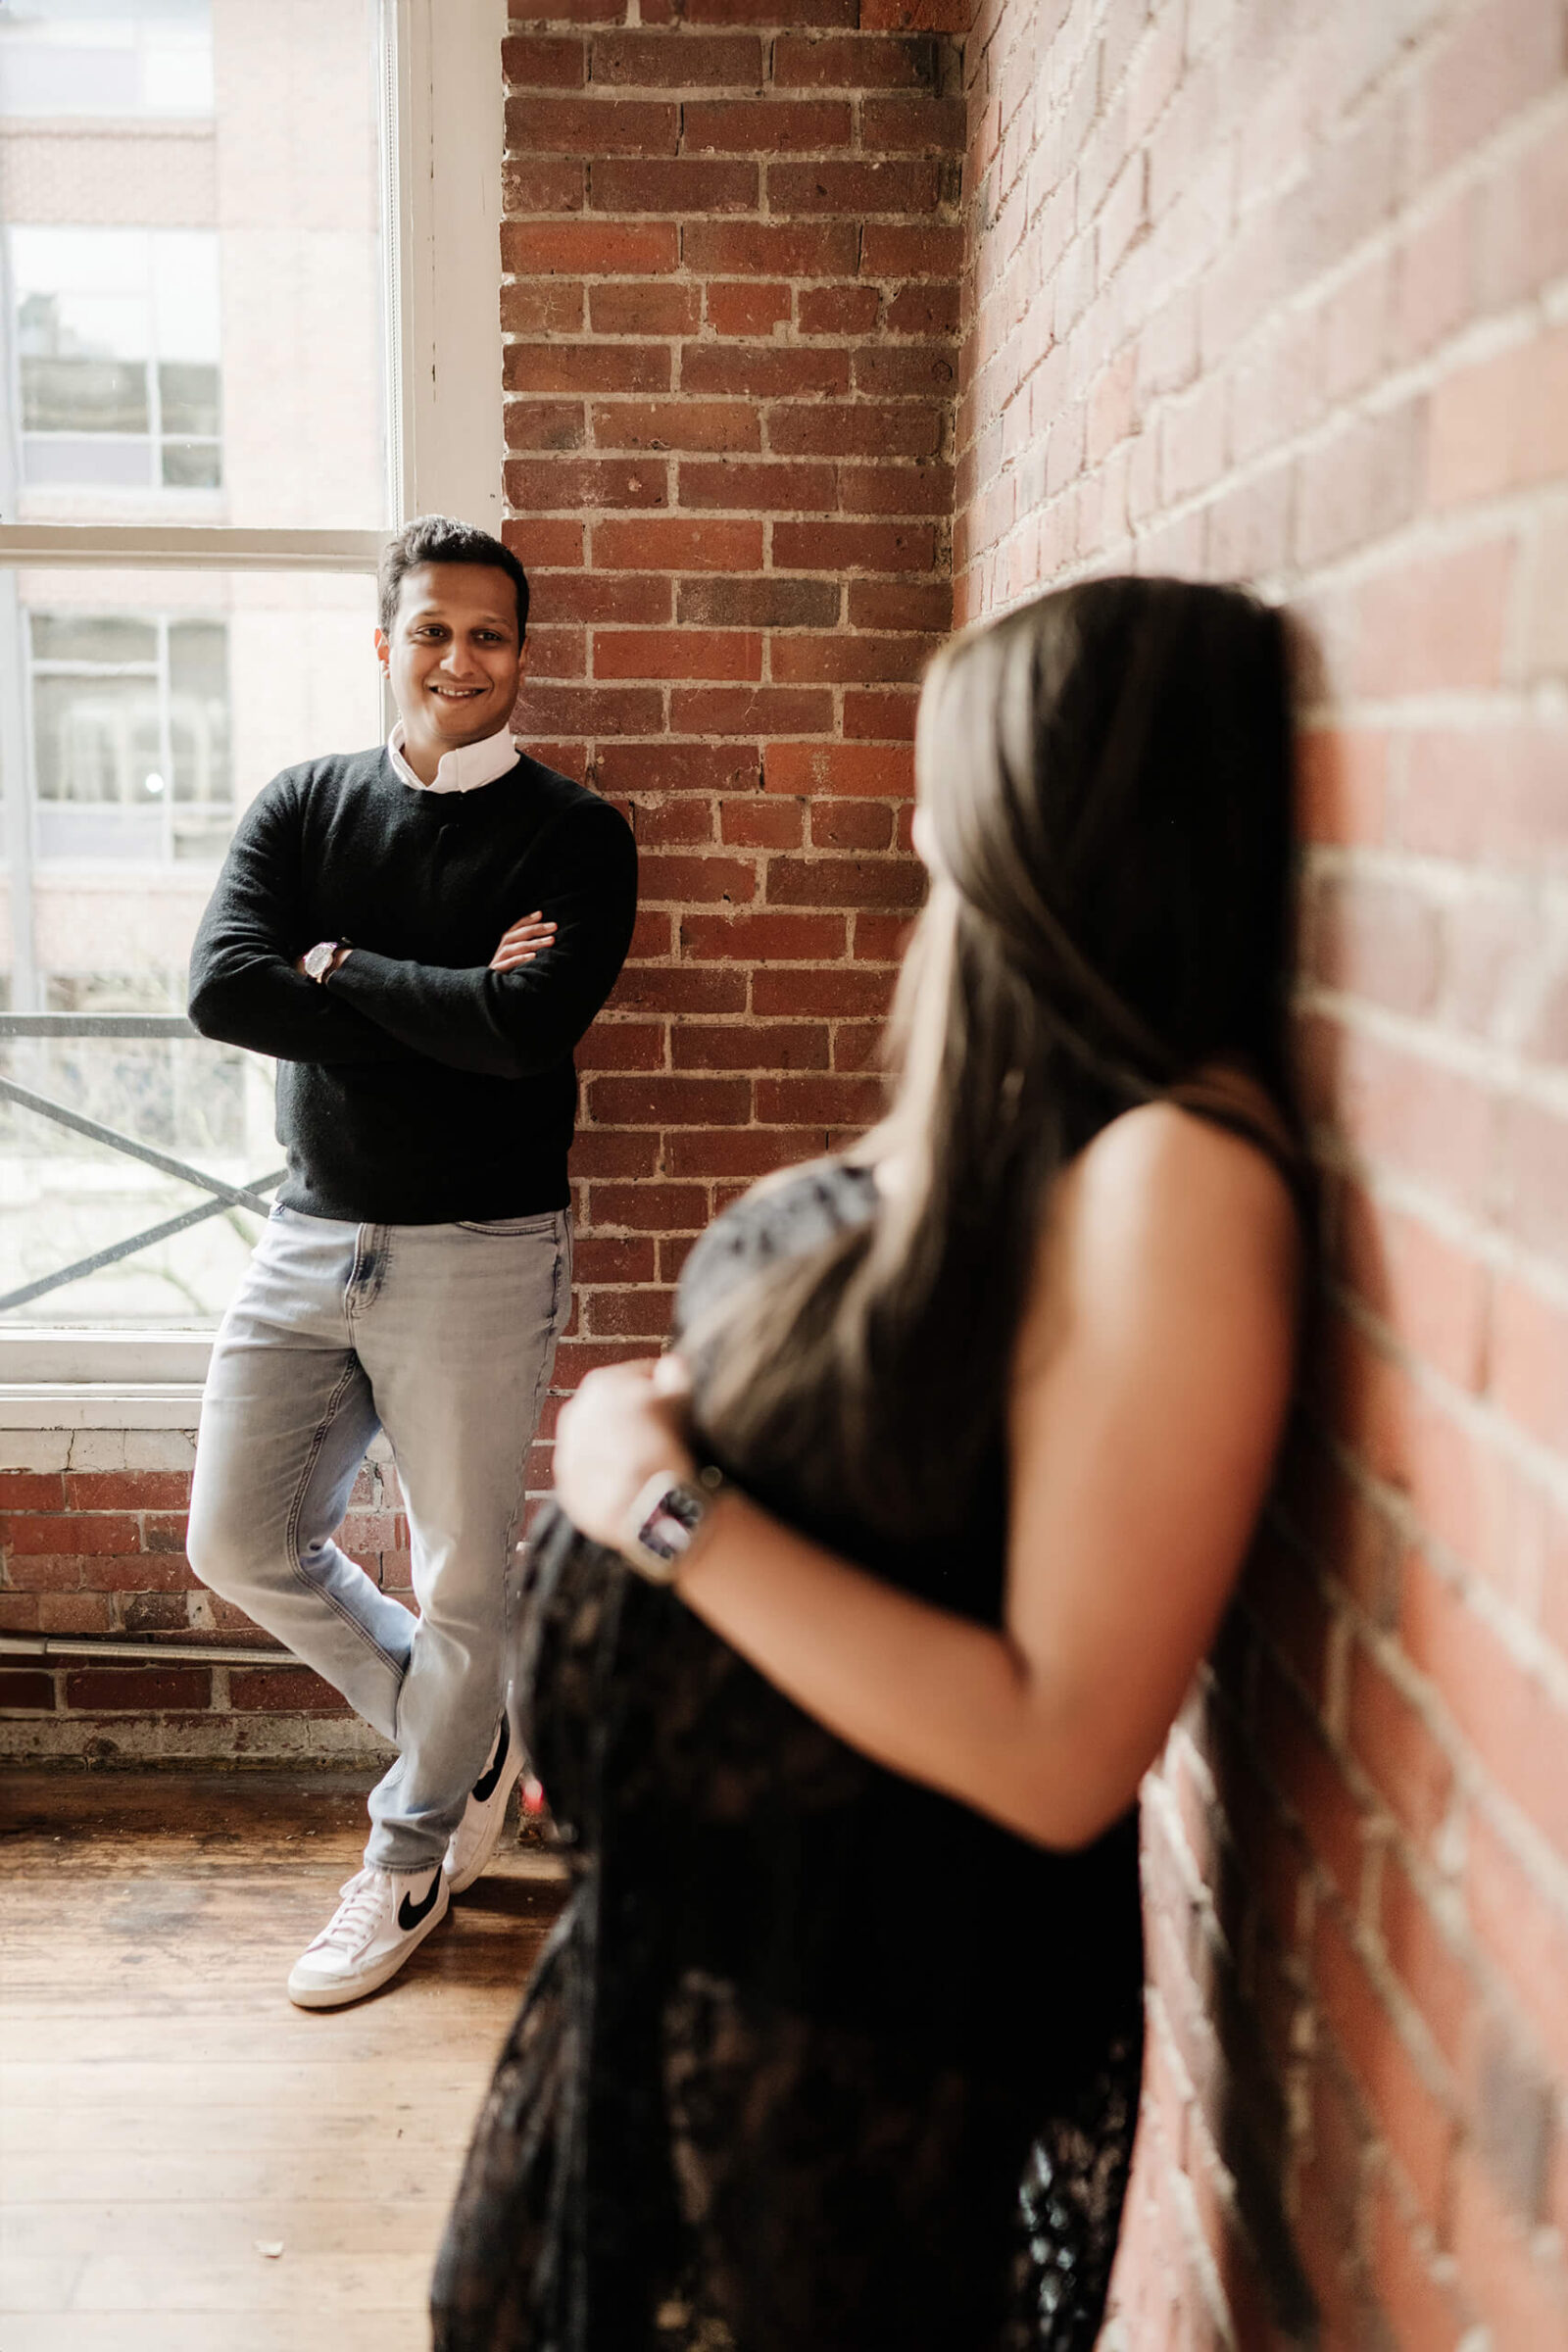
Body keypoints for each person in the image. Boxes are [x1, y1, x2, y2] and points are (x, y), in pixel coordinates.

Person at [430, 575, 1307, 2352]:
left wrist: (658, 1507)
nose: (918, 830)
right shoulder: (1022, 1101)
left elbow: (1062, 1751)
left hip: (857, 2022)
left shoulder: (1177, 1174)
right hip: (698, 1953)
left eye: (949, 783)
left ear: (1073, 817)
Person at [184, 514, 637, 2010]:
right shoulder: (304, 805)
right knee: (238, 1542)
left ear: (521, 656)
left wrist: (343, 969)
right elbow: (223, 990)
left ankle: (411, 1853)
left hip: (482, 1249)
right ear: (387, 642)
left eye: (488, 635)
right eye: (432, 630)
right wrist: (448, 1002)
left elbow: (524, 1034)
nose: (458, 658)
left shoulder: (575, 835)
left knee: (461, 1581)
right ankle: (470, 1736)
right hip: (308, 1230)